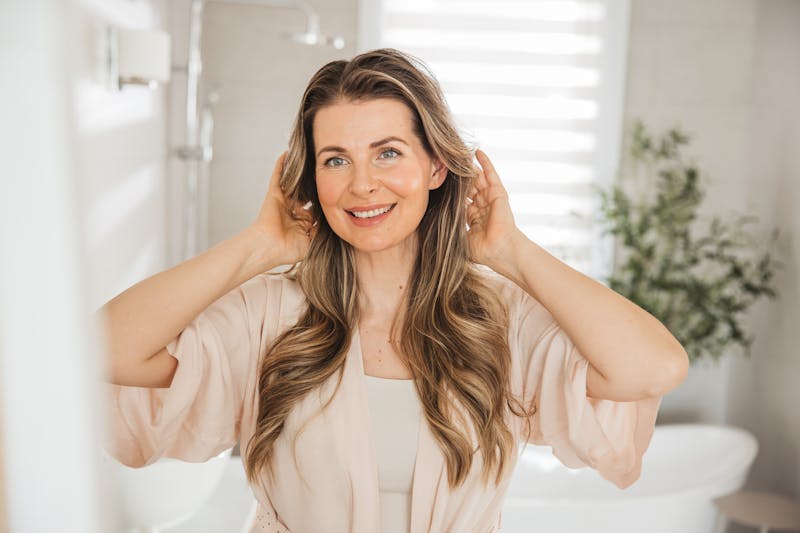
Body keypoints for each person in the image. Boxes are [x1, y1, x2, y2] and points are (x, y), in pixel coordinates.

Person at [100, 48, 688, 532]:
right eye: (335, 160)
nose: (361, 184)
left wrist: (512, 252)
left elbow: (655, 367)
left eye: (388, 153)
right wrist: (257, 245)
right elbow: (102, 348)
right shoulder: (271, 315)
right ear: (312, 179)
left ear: (436, 167)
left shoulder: (498, 320)